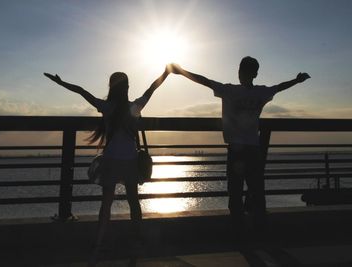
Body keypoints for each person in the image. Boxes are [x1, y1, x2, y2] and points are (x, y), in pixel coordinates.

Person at [44, 66, 170, 266]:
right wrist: (166, 72)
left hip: (111, 160)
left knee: (106, 204)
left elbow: (81, 91)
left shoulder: (106, 107)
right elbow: (151, 89)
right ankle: (136, 240)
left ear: (111, 87)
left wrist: (61, 83)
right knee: (134, 203)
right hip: (130, 161)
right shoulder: (135, 107)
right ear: (127, 87)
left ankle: (99, 243)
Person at [169, 57, 310, 232]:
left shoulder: (229, 90)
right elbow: (279, 87)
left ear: (240, 72)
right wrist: (297, 81)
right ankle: (260, 227)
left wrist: (181, 71)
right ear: (256, 74)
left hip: (236, 150)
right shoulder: (261, 92)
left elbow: (204, 81)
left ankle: (238, 228)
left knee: (235, 192)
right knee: (257, 190)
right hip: (253, 149)